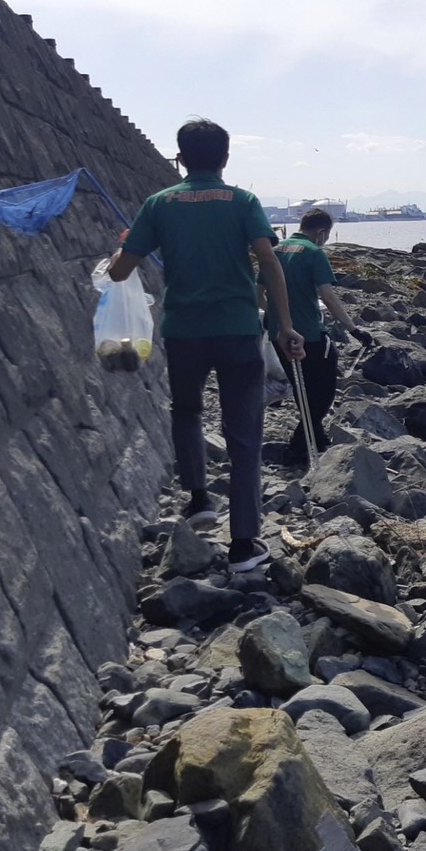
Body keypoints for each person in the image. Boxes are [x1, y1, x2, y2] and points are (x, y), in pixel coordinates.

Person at [105, 118, 304, 573]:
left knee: (188, 412)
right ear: (225, 158)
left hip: (184, 331)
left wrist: (122, 248)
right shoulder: (243, 201)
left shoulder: (159, 204)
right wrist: (284, 325)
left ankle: (198, 500)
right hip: (236, 330)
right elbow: (268, 261)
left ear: (180, 158)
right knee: (244, 436)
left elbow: (119, 271)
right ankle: (244, 544)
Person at [262, 207, 371, 465]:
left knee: (302, 390)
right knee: (323, 394)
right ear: (321, 232)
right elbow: (328, 296)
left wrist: (276, 314)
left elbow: (259, 292)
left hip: (278, 334)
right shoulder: (313, 253)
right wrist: (353, 329)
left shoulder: (275, 251)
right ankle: (298, 446)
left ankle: (317, 437)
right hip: (309, 334)